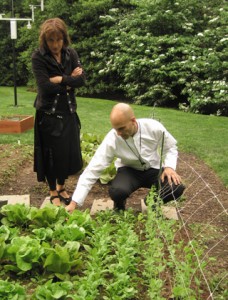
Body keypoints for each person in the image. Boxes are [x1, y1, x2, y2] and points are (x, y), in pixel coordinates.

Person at [66, 103, 185, 213]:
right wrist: (74, 202)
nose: (118, 133)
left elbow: (171, 147)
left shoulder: (154, 127)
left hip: (153, 169)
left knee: (176, 186)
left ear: (133, 121)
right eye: (115, 128)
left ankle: (152, 202)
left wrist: (169, 167)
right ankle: (119, 204)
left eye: (121, 128)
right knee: (117, 191)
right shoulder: (112, 138)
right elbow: (93, 169)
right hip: (129, 171)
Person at [32, 18, 86, 206]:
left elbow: (82, 80)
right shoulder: (38, 57)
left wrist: (59, 79)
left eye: (59, 39)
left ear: (64, 38)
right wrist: (69, 80)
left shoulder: (71, 53)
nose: (55, 45)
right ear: (45, 40)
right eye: (51, 40)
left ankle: (62, 187)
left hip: (69, 111)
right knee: (51, 155)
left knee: (67, 153)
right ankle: (53, 191)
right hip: (48, 114)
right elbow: (45, 87)